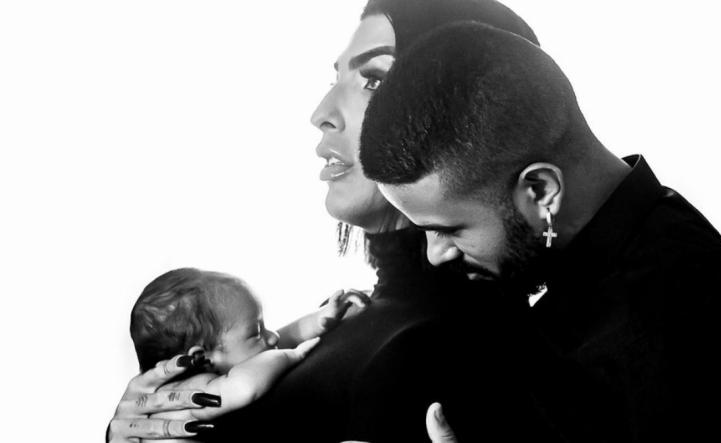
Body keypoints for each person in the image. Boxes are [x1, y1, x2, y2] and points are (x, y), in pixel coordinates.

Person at [107, 1, 544, 442]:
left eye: (374, 80)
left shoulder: (440, 351)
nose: (321, 113)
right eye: (335, 81)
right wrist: (139, 430)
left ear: (470, 118)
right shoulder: (348, 323)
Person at [360, 22, 721, 442]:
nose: (436, 254)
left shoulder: (685, 330)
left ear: (540, 191)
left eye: (448, 229)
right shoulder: (596, 263)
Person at [130, 268, 341, 442]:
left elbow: (268, 348)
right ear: (202, 358)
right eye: (256, 332)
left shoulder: (216, 373)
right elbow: (247, 384)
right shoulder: (193, 392)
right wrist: (293, 355)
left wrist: (316, 321)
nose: (274, 336)